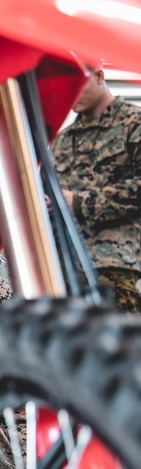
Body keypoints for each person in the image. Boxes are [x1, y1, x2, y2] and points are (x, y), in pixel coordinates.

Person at [51, 64, 141, 314]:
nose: (72, 95)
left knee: (116, 349)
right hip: (64, 269)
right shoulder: (62, 140)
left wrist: (80, 202)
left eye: (78, 84)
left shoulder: (133, 124)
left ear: (99, 76)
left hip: (112, 265)